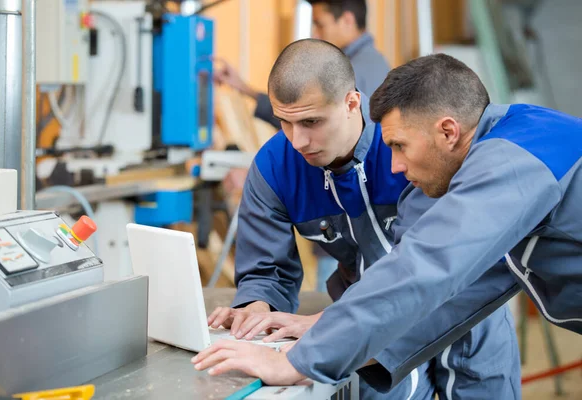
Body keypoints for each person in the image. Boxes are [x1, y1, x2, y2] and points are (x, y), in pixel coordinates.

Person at [193, 52, 582, 394]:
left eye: (399, 146)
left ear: (448, 131)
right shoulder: (514, 143)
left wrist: (296, 363)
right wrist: (325, 330)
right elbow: (462, 291)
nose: (395, 165)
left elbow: (425, 267)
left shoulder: (513, 160)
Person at [218, 0, 392, 293]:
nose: (297, 142)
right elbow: (263, 275)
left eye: (311, 122)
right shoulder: (272, 166)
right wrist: (256, 305)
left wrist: (326, 324)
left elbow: (421, 281)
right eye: (285, 122)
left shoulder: (401, 156)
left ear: (353, 103)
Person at [214, 0, 390, 130]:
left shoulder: (351, 72)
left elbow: (306, 123)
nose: (315, 33)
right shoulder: (375, 62)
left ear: (347, 20)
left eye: (320, 25)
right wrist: (244, 88)